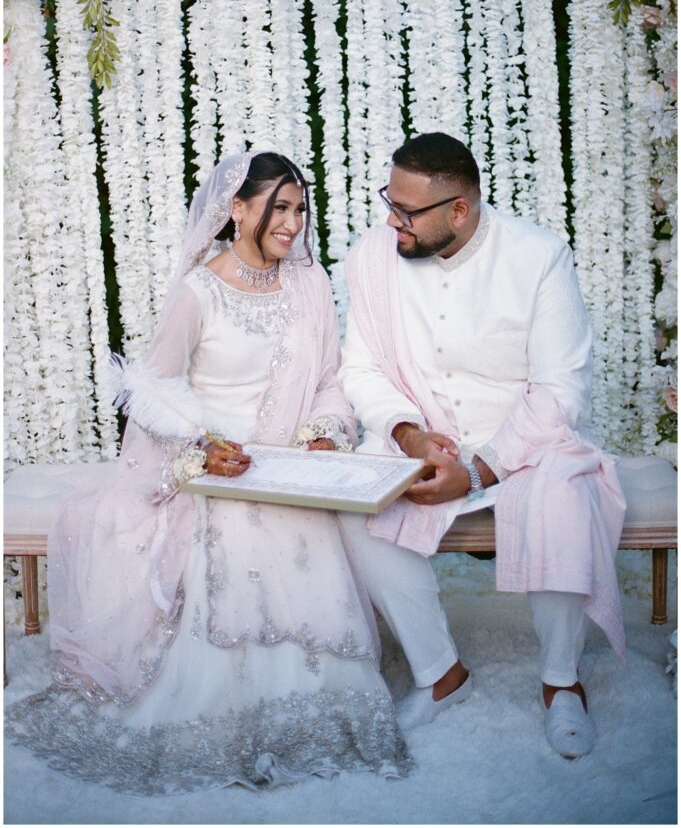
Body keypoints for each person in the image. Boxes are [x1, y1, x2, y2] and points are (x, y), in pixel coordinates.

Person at [6, 151, 409, 793]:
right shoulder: (199, 291)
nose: (292, 224)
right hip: (218, 474)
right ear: (237, 209)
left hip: (291, 472)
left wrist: (324, 434)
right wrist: (202, 447)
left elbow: (331, 382)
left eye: (300, 210)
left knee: (302, 531)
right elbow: (152, 395)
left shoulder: (309, 284)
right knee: (243, 543)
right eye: (279, 208)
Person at [338, 132, 626, 759]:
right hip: (423, 434)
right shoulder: (373, 259)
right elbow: (361, 368)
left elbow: (560, 389)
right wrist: (408, 434)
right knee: (357, 503)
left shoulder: (538, 257)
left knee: (564, 494)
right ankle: (440, 673)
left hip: (520, 442)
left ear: (460, 210)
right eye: (389, 201)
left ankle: (561, 681)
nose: (391, 221)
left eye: (406, 211)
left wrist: (476, 472)